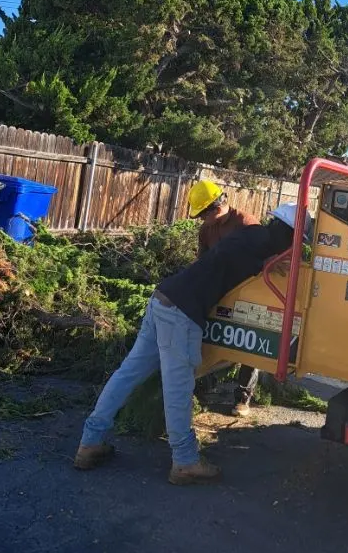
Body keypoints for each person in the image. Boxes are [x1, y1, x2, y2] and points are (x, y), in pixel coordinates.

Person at [74, 204, 308, 485]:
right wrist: (272, 263)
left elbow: (231, 260)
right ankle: (185, 462)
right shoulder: (259, 245)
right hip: (180, 313)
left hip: (163, 298)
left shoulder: (252, 236)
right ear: (292, 236)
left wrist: (268, 261)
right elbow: (257, 267)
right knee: (178, 388)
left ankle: (90, 442)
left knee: (127, 375)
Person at [187, 179, 261, 418]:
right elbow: (202, 262)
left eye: (202, 215)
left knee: (250, 346)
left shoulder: (247, 224)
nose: (200, 220)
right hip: (218, 291)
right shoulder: (206, 230)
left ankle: (243, 398)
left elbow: (264, 262)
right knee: (212, 338)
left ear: (216, 208)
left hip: (248, 292)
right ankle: (205, 384)